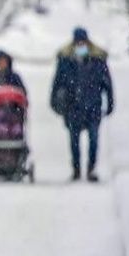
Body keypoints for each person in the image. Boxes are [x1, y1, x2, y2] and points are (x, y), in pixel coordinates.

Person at [51, 27, 114, 182]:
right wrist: (55, 102)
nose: (80, 46)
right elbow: (57, 83)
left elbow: (106, 83)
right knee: (74, 141)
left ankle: (91, 168)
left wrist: (110, 102)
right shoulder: (66, 61)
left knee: (93, 139)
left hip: (93, 106)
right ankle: (77, 169)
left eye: (82, 42)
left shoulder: (97, 60)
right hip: (73, 107)